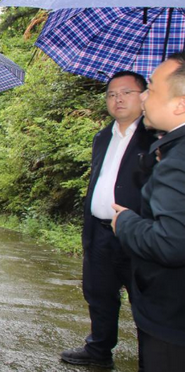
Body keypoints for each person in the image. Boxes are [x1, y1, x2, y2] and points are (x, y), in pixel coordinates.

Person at [61, 71, 156, 369]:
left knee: (145, 299)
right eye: (112, 94)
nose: (118, 99)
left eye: (126, 93)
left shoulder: (155, 138)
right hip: (100, 230)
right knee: (99, 292)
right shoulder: (103, 136)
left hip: (138, 232)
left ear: (144, 97)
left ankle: (152, 359)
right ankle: (99, 349)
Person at [112, 52, 185, 371]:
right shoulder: (170, 150)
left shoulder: (178, 161)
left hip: (171, 315)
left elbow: (171, 241)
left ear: (180, 104)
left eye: (151, 88)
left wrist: (125, 222)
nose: (143, 96)